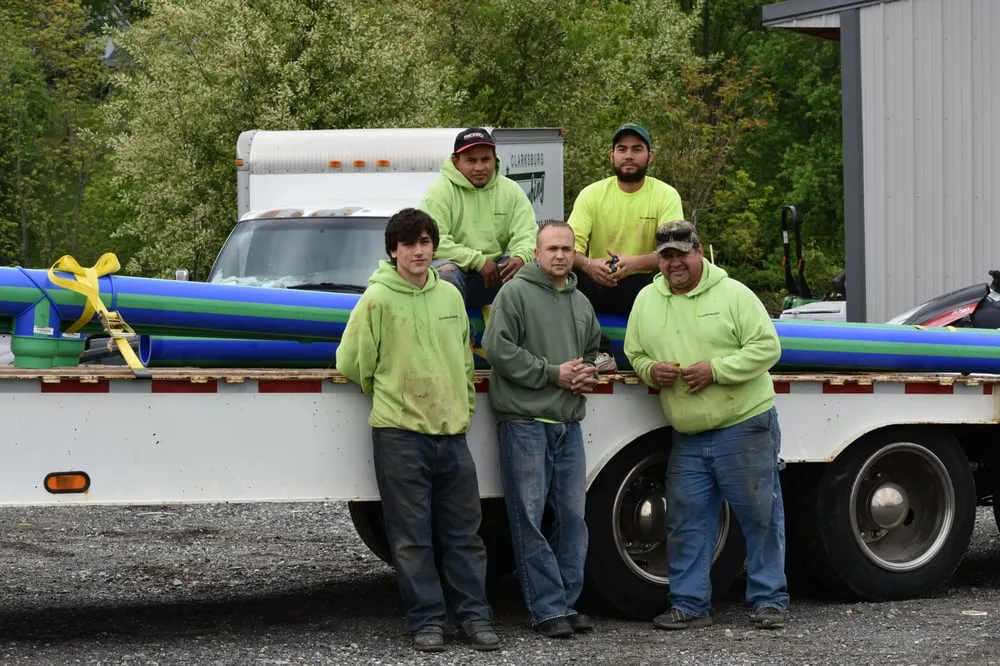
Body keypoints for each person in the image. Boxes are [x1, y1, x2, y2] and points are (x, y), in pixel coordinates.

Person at [335, 208, 500, 653]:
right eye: (409, 244)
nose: (418, 251)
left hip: (451, 434)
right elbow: (351, 362)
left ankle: (475, 617)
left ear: (434, 246)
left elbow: (465, 362)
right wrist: (387, 388)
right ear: (393, 250)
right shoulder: (376, 299)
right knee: (410, 538)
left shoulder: (450, 298)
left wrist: (463, 409)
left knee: (465, 534)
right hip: (400, 434)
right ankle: (426, 620)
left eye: (425, 242)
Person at [623, 220, 788, 631]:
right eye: (666, 256)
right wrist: (650, 370)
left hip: (744, 423)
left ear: (698, 251)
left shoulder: (734, 294)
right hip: (689, 433)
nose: (674, 262)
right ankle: (689, 605)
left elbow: (768, 347)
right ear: (658, 260)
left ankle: (770, 600)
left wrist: (716, 371)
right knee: (686, 521)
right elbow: (634, 351)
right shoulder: (646, 299)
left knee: (761, 515)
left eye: (681, 253)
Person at [481, 221, 601, 639]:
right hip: (525, 423)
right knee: (528, 519)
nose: (560, 256)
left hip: (568, 424)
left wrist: (592, 371)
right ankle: (546, 609)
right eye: (552, 248)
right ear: (536, 252)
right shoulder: (513, 293)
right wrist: (553, 374)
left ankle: (567, 603)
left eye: (567, 249)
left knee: (573, 520)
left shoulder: (582, 301)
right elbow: (497, 349)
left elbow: (590, 352)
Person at [567, 122, 684, 371]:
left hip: (644, 286)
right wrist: (589, 265)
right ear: (612, 155)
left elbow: (673, 249)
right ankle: (598, 352)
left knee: (678, 272)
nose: (628, 155)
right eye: (622, 149)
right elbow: (568, 248)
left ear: (649, 156)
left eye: (637, 149)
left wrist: (634, 263)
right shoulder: (592, 194)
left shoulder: (665, 195)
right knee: (562, 272)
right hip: (598, 281)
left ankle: (665, 355)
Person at [419, 127, 538, 308]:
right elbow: (434, 242)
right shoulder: (439, 193)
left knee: (531, 270)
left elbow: (527, 232)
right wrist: (478, 261)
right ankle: (453, 329)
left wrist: (520, 257)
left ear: (495, 159)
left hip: (495, 268)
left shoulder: (511, 191)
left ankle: (518, 332)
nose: (480, 167)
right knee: (446, 275)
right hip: (456, 269)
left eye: (485, 159)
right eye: (471, 160)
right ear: (455, 161)